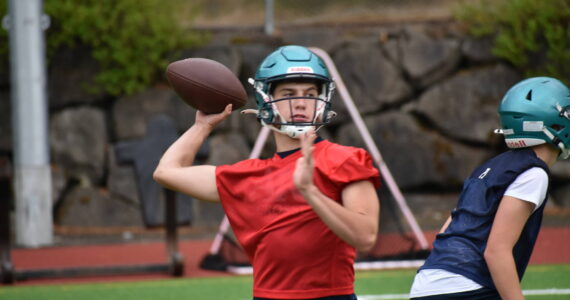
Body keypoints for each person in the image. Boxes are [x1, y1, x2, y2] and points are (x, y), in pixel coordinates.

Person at [153, 45, 381, 300]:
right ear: (266, 101)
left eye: (309, 93)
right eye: (288, 93)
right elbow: (166, 171)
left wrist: (310, 192)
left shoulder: (346, 159)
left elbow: (365, 237)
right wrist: (202, 126)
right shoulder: (247, 176)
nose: (301, 102)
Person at [409, 77, 570, 300]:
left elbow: (448, 230)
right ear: (552, 121)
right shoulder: (533, 173)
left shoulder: (490, 167)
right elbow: (496, 251)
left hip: (427, 284)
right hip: (466, 287)